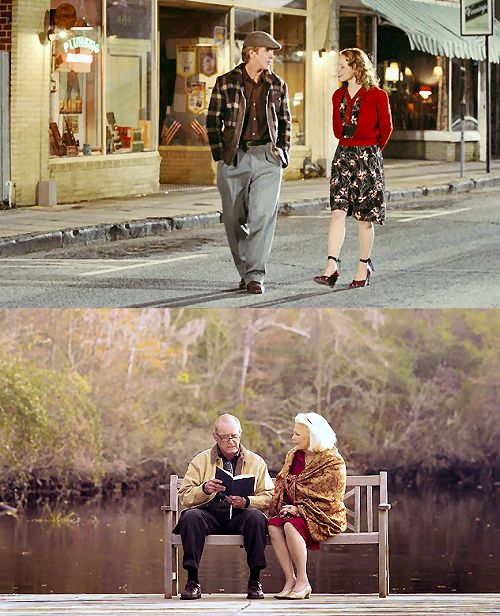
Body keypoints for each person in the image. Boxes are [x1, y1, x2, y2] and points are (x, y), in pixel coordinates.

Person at [207, 31, 291, 295]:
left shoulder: (277, 84)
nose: (271, 56)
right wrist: (222, 155)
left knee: (262, 217)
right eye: (268, 51)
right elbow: (212, 120)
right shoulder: (226, 82)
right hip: (235, 157)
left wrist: (282, 153)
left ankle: (255, 275)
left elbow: (285, 121)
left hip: (267, 158)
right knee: (233, 219)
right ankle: (244, 271)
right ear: (252, 52)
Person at [314, 48, 393, 290]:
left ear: (356, 67)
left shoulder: (377, 95)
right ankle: (331, 266)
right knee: (337, 211)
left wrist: (371, 153)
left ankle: (363, 265)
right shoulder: (337, 95)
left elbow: (386, 129)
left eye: (342, 65)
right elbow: (337, 130)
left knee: (364, 217)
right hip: (343, 155)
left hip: (367, 156)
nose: (338, 69)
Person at [173, 413, 274, 600]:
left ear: (240, 434)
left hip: (240, 513)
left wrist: (247, 502)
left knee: (256, 518)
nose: (230, 441)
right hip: (209, 514)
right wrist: (204, 489)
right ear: (215, 437)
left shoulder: (256, 462)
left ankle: (255, 581)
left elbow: (269, 496)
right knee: (190, 517)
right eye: (225, 437)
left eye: (234, 436)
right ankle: (192, 581)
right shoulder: (201, 460)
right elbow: (185, 497)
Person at [268, 412, 347, 600]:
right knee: (273, 525)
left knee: (290, 525)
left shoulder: (332, 461)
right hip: (294, 511)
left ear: (312, 436)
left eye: (297, 434)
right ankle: (290, 580)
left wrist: (300, 509)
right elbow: (283, 482)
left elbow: (331, 497)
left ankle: (303, 582)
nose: (292, 438)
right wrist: (286, 504)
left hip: (324, 514)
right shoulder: (293, 456)